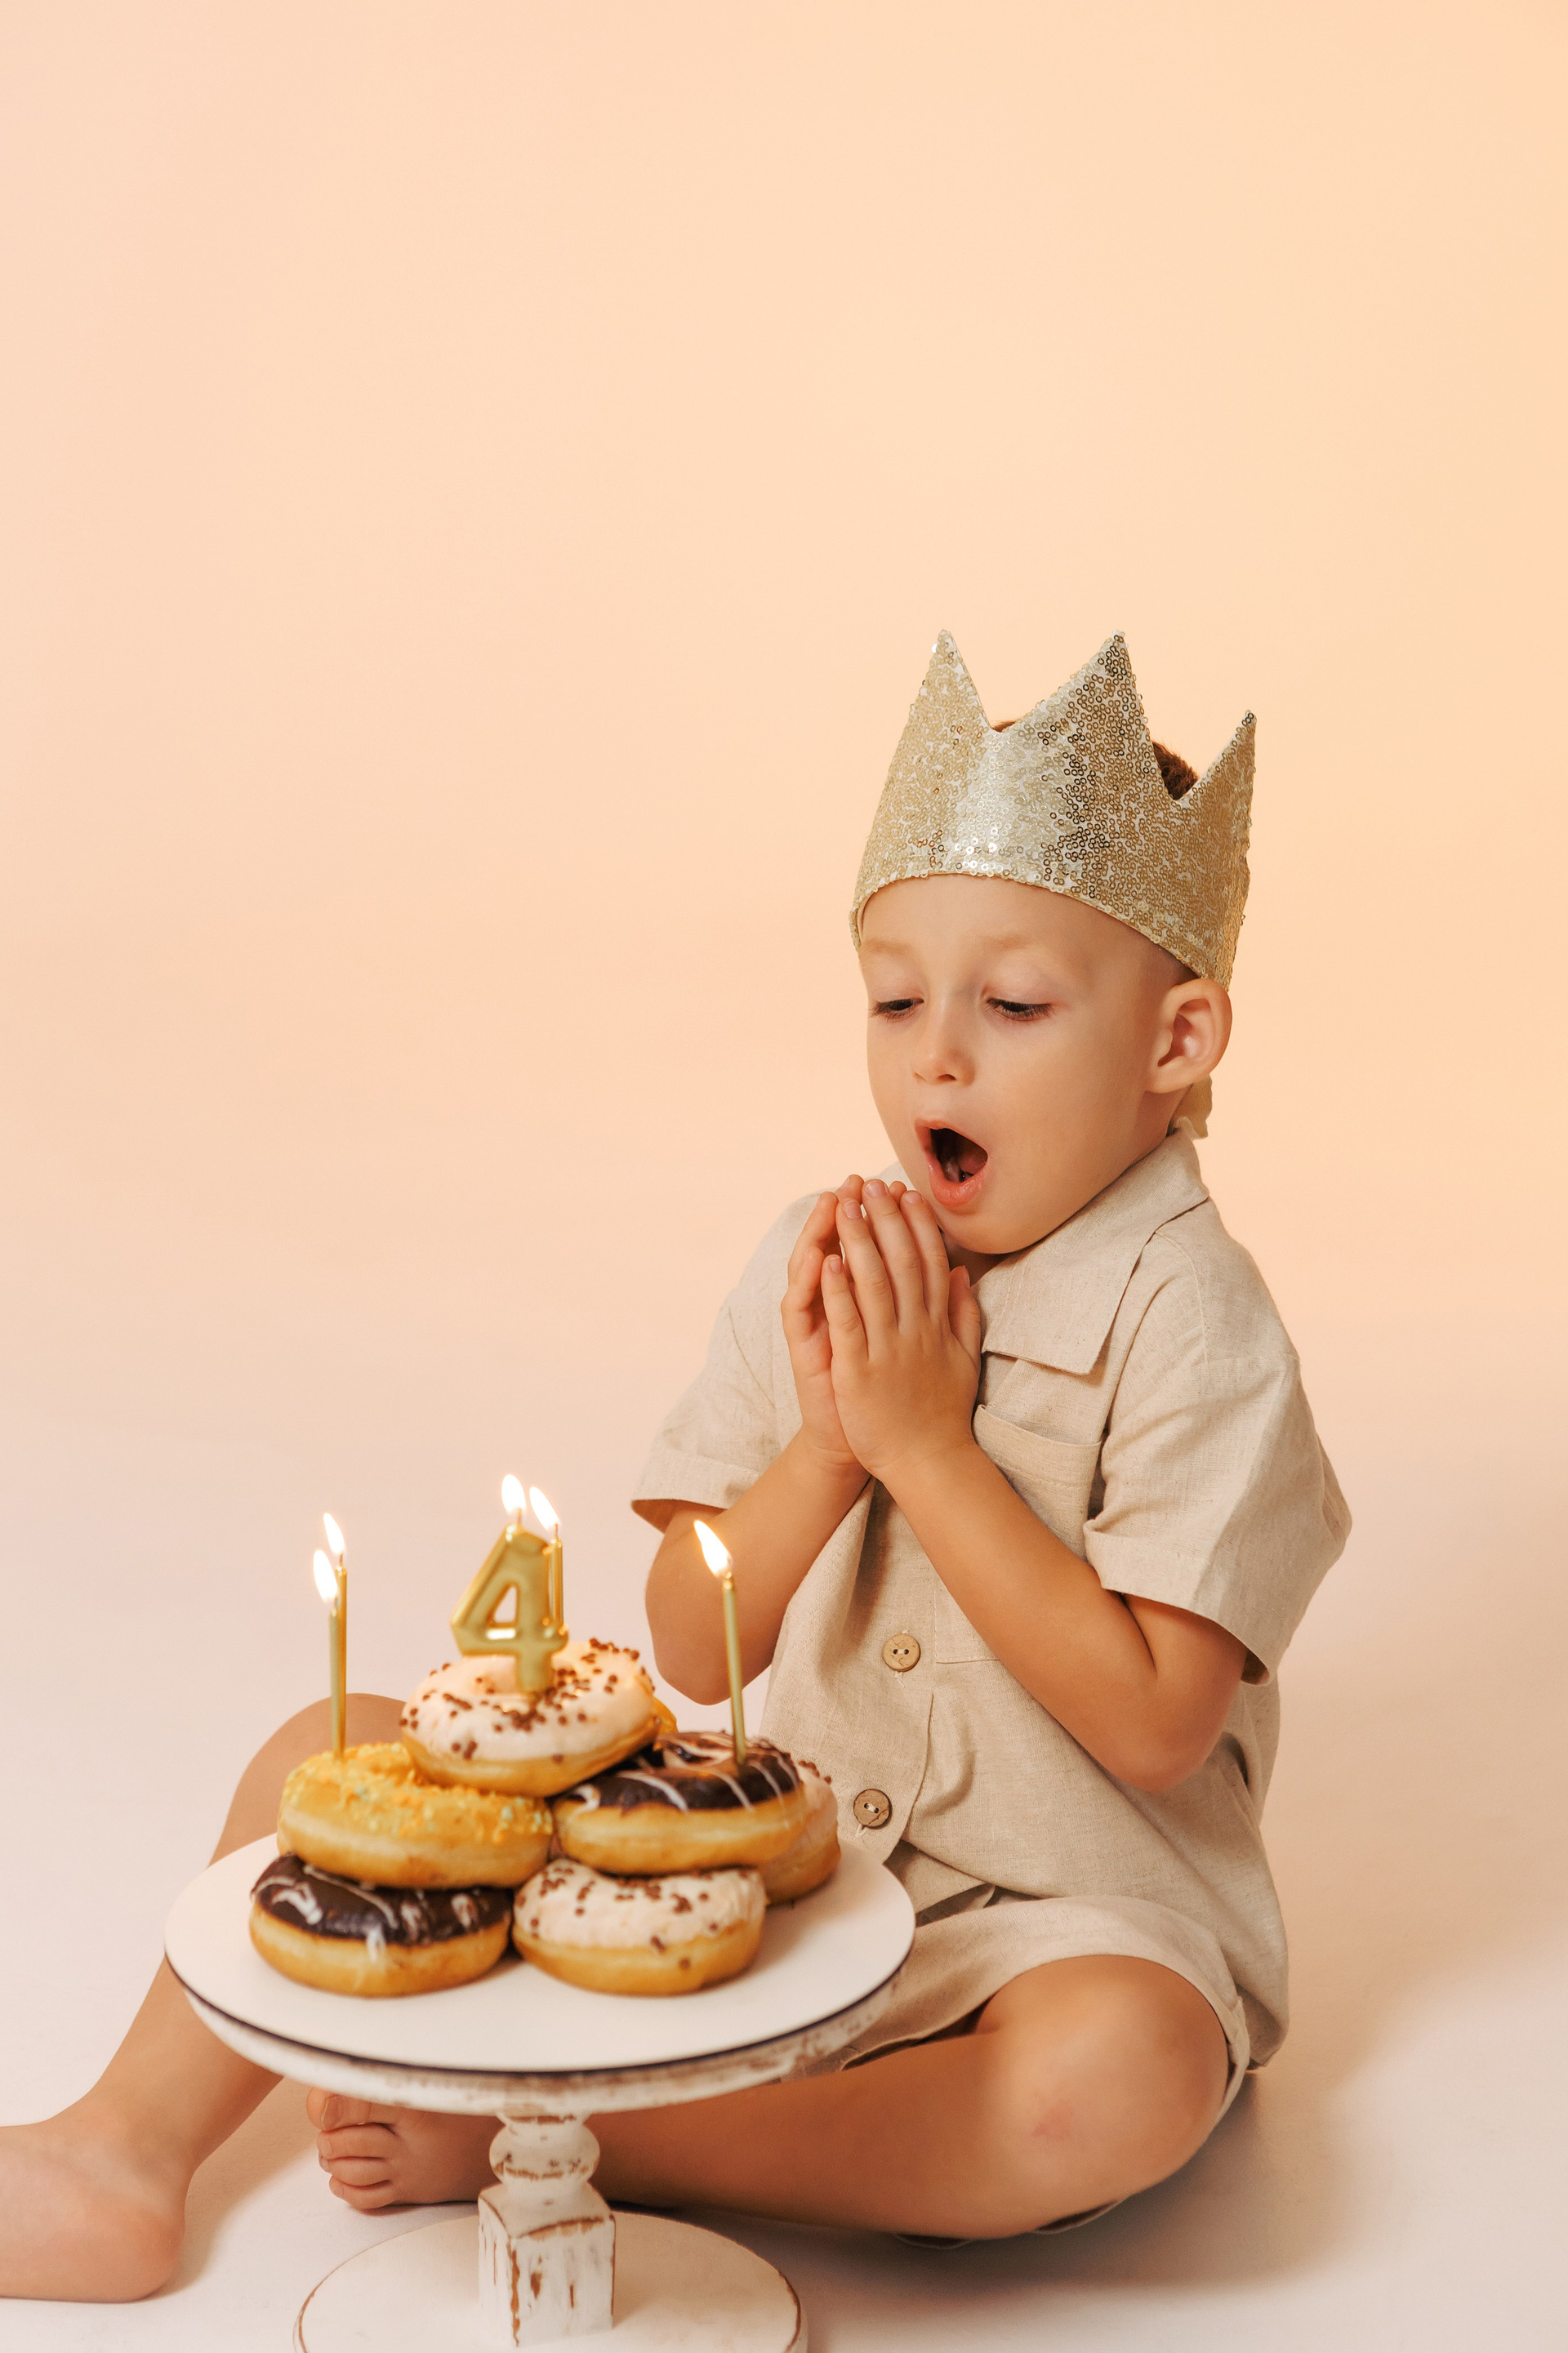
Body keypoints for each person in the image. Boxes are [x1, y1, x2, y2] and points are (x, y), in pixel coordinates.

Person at [0, 631, 1348, 2297]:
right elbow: (696, 1651)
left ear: (1178, 1037)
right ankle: (118, 2155)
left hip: (1050, 1934)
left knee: (1118, 2076)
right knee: (324, 1755)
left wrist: (927, 1449)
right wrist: (833, 1444)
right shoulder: (827, 1256)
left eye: (1011, 1006)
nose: (934, 1056)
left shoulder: (1201, 1323)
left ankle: (599, 2136)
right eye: (895, 999)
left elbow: (1155, 1725)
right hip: (782, 1868)